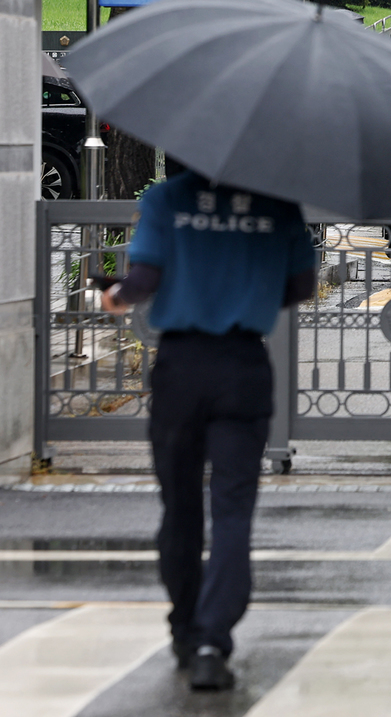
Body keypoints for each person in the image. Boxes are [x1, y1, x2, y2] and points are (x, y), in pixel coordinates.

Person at [102, 168, 316, 691]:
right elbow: (302, 285)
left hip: (183, 368)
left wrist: (114, 297)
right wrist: (249, 293)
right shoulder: (280, 205)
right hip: (243, 367)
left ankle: (183, 623)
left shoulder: (166, 199)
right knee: (233, 510)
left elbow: (144, 280)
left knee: (180, 505)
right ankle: (211, 642)